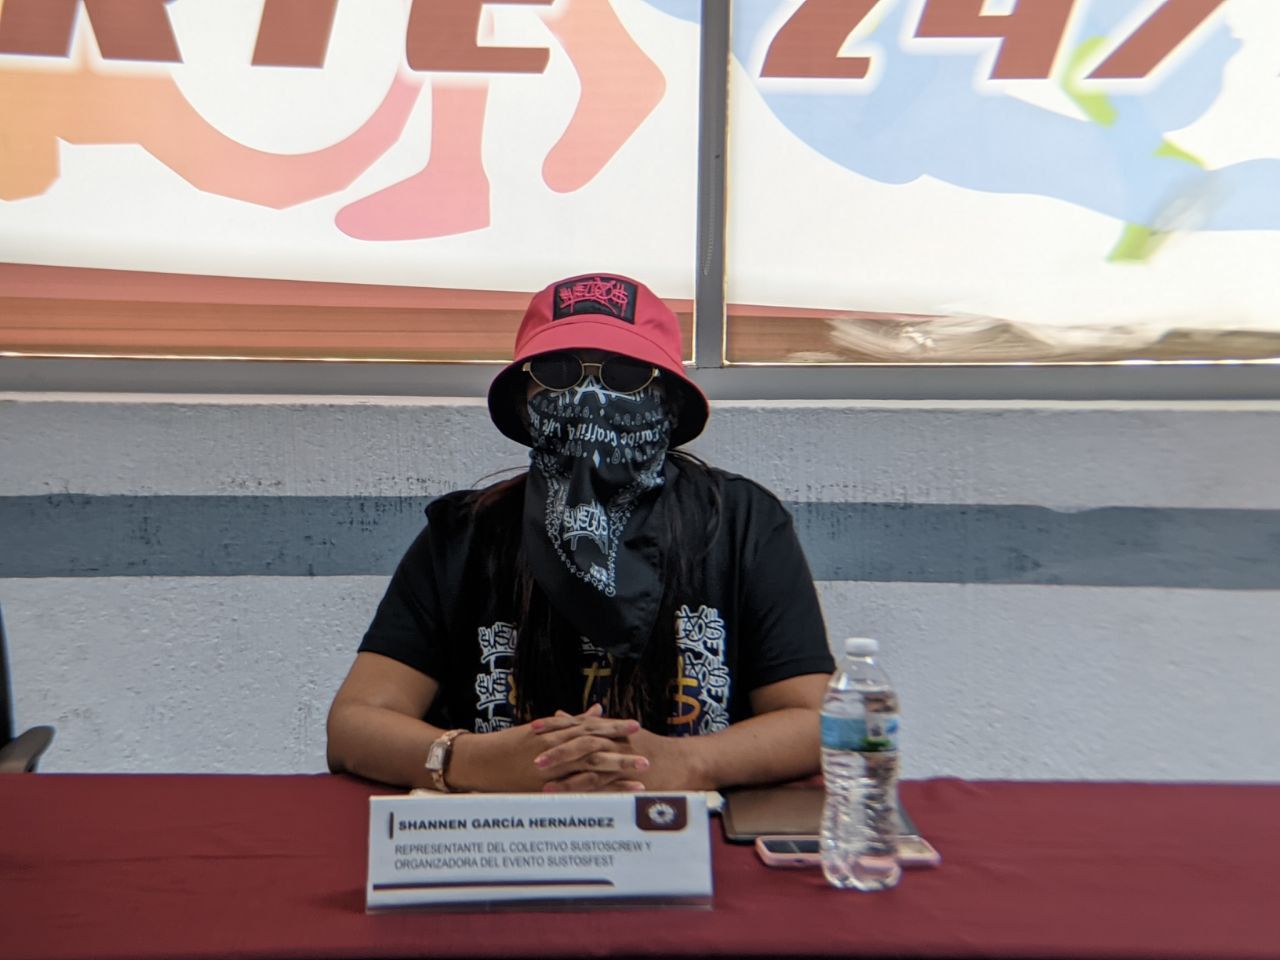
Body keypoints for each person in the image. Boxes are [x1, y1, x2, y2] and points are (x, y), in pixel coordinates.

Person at [327, 272, 834, 793]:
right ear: (525, 400)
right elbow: (354, 725)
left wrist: (686, 763)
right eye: (558, 372)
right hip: (503, 830)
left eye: (625, 374)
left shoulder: (740, 522)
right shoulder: (465, 534)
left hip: (685, 830)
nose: (589, 395)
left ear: (670, 402)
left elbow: (815, 720)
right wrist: (476, 760)